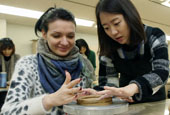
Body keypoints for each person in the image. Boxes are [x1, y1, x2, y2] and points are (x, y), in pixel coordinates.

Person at [1, 7, 95, 114]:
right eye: (56, 35)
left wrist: (93, 100)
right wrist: (48, 100)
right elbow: (7, 112)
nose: (64, 42)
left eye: (70, 36)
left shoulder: (84, 65)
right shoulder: (28, 65)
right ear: (44, 34)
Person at [93, 0, 169, 103]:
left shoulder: (154, 35)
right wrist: (97, 92)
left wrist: (134, 87)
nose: (113, 32)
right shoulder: (109, 48)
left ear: (130, 17)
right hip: (126, 102)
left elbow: (162, 72)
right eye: (106, 28)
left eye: (116, 23)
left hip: (155, 102)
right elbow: (108, 84)